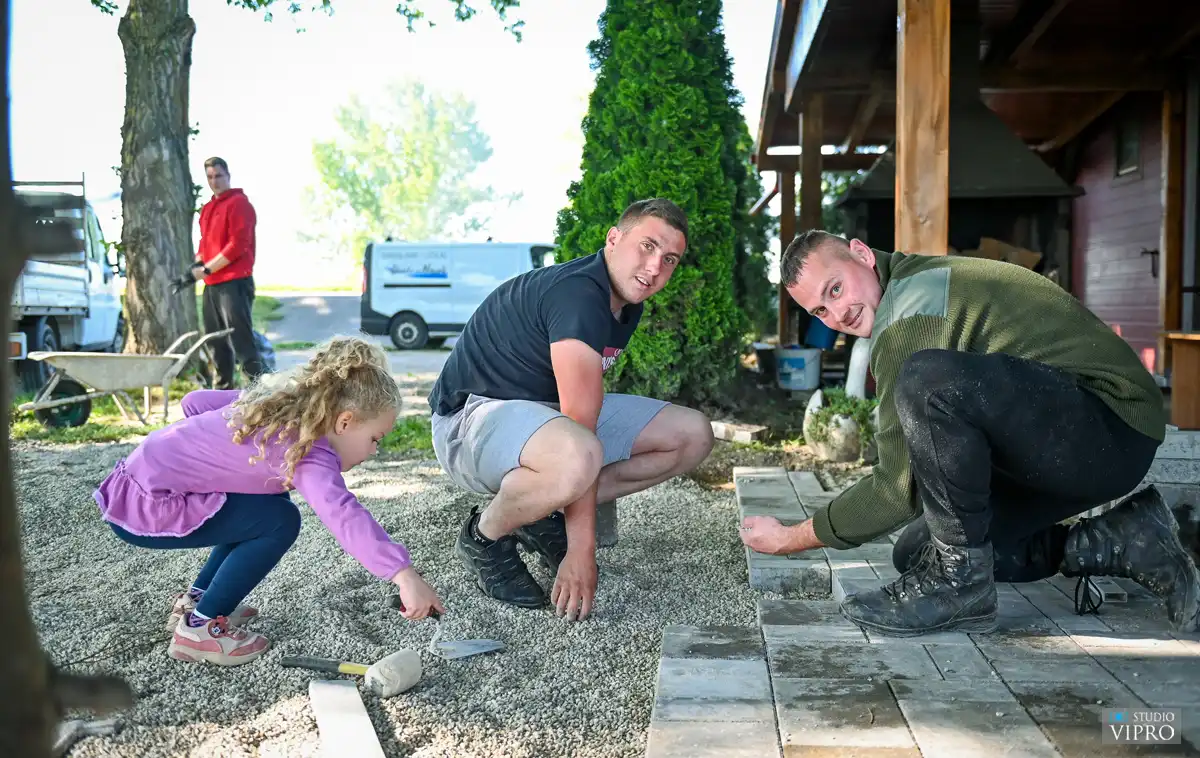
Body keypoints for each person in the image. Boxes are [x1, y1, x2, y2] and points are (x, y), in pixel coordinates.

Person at [740, 229, 1200, 636]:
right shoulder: (906, 281)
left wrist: (790, 538)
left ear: (861, 254)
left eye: (835, 289)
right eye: (820, 309)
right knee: (921, 552)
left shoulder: (907, 313)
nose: (837, 314)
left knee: (924, 382)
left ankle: (960, 589)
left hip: (1110, 424)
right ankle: (1131, 541)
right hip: (1067, 437)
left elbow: (896, 490)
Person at [427, 198, 715, 622]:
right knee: (578, 455)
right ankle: (483, 537)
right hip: (468, 423)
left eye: (669, 259)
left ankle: (538, 510)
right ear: (613, 239)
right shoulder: (580, 293)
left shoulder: (627, 303)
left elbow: (581, 413)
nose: (656, 267)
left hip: (541, 418)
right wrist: (582, 551)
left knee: (693, 435)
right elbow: (581, 425)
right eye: (647, 246)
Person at [93, 336, 444, 666]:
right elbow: (344, 515)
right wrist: (404, 575)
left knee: (258, 508)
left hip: (131, 482)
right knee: (280, 520)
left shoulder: (274, 408)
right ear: (345, 421)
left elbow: (194, 402)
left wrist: (211, 456)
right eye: (375, 438)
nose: (375, 450)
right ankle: (199, 630)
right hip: (147, 508)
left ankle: (199, 600)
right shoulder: (309, 452)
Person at [195, 156, 266, 390]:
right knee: (216, 342)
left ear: (228, 176)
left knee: (242, 342)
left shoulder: (239, 204)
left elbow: (238, 245)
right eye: (210, 177)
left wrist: (207, 269)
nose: (214, 181)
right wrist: (197, 266)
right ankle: (222, 394)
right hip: (212, 285)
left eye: (219, 176)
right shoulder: (207, 209)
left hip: (235, 283)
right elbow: (204, 244)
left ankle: (260, 392)